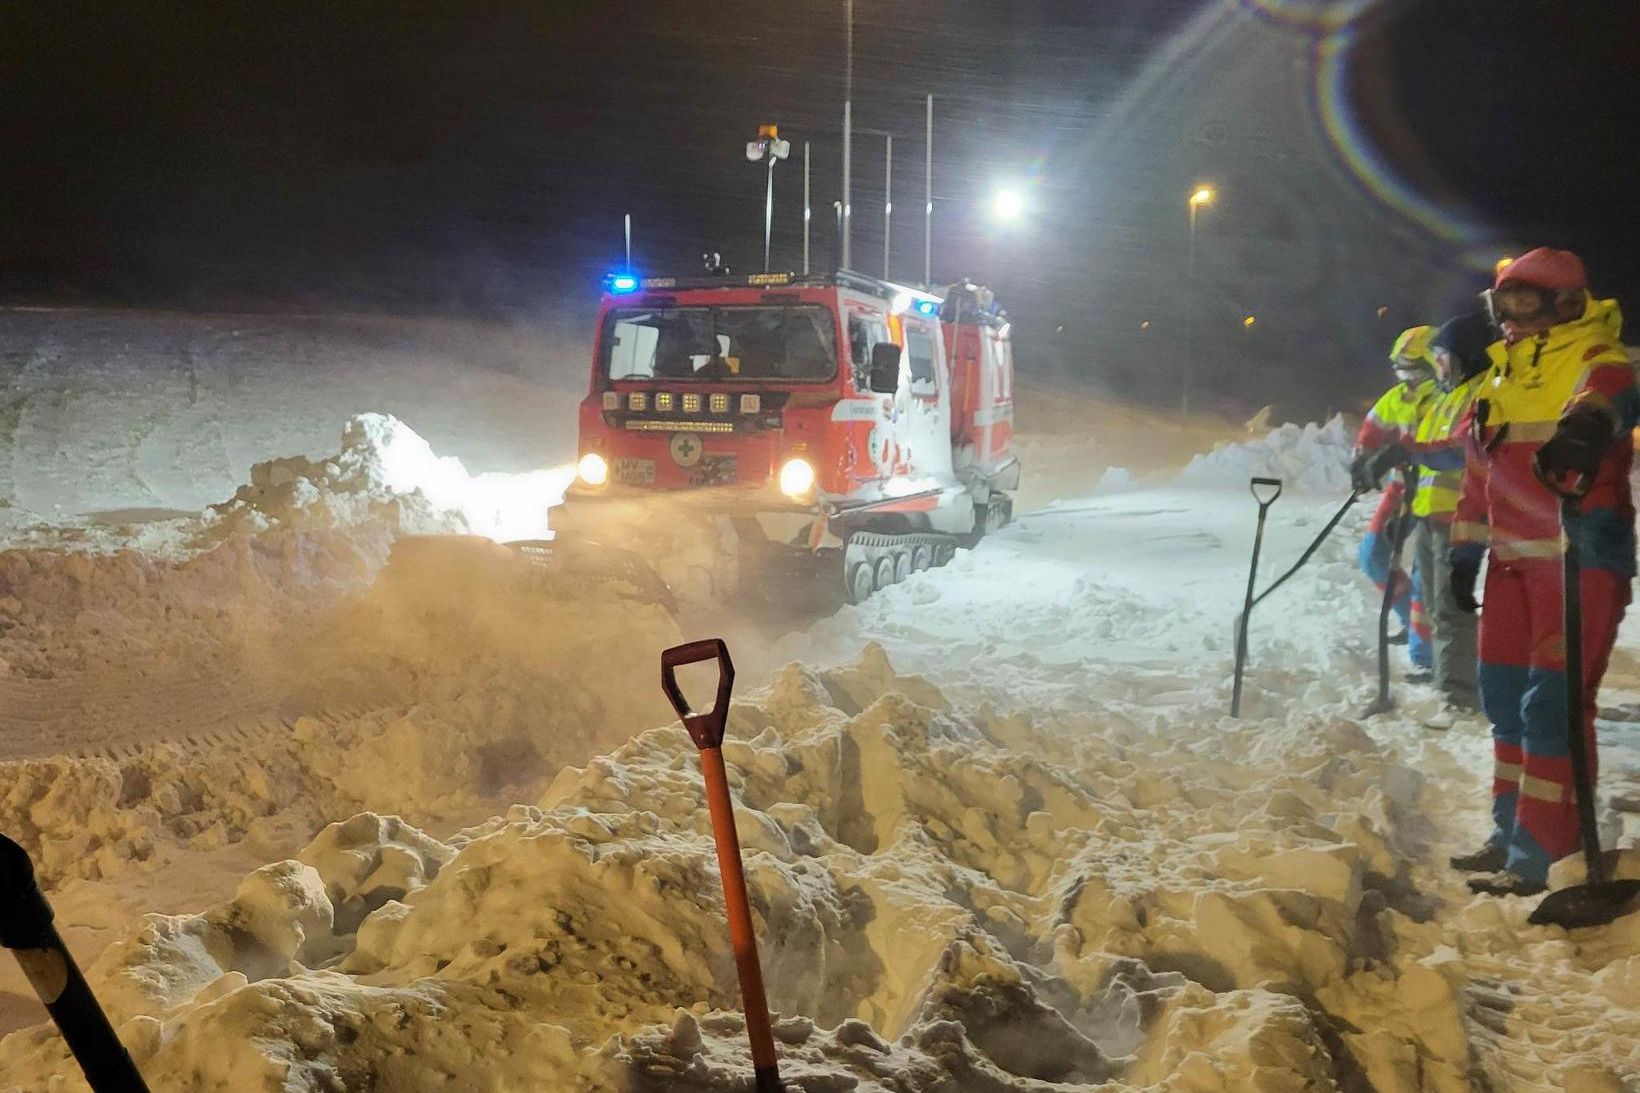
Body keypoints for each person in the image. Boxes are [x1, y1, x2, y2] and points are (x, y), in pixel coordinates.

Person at [1447, 248, 1636, 896]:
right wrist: (1463, 548)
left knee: (1551, 708)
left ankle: (1545, 855)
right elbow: (1479, 474)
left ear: (1565, 303)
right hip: (1510, 568)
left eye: (1523, 302)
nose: (1509, 318)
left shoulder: (1598, 357)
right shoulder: (1494, 381)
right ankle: (1510, 831)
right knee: (1503, 702)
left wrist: (1587, 424)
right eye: (1500, 305)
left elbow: (1612, 395)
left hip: (1577, 557)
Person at [1401, 312, 1496, 720]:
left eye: (1444, 358)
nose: (1439, 367)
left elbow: (1458, 450)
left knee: (1451, 606)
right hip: (1430, 513)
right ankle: (1447, 677)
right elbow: (1426, 448)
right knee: (1435, 603)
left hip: (1458, 517)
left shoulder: (1481, 394)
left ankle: (1461, 695)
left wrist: (1411, 453)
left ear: (1467, 357)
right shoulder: (1446, 395)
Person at [1351, 326, 1439, 677]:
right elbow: (1372, 427)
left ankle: (1428, 656)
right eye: (1401, 369)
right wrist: (1363, 460)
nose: (1407, 378)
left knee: (1426, 576)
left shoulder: (1446, 397)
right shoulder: (1400, 396)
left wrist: (1402, 453)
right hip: (1402, 489)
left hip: (1439, 492)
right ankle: (1409, 619)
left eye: (1414, 369)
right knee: (1373, 554)